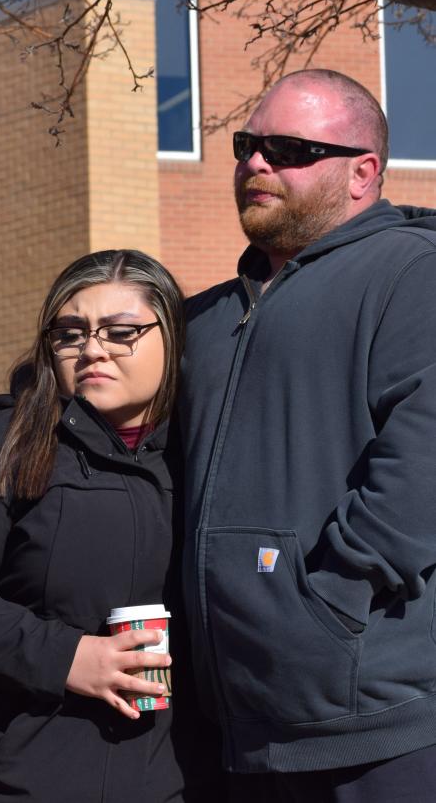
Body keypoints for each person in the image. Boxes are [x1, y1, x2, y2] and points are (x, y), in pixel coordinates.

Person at [179, 69, 436, 800]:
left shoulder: (413, 273)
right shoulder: (208, 318)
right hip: (238, 731)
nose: (257, 163)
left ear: (363, 173)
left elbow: (424, 463)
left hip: (377, 727)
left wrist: (329, 600)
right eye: (248, 145)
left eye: (289, 148)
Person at [0, 249, 213, 802]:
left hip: (171, 781)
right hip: (18, 781)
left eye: (121, 332)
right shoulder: (7, 442)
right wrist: (67, 657)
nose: (92, 349)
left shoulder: (206, 455)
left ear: (171, 337)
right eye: (70, 333)